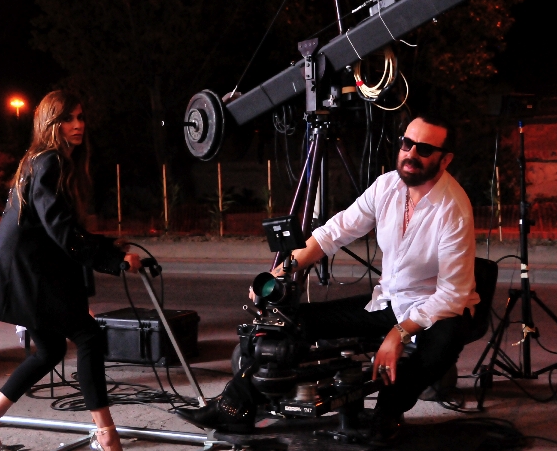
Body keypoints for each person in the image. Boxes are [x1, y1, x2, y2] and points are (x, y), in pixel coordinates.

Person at [176, 114, 478, 440]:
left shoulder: (453, 208)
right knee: (291, 321)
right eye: (407, 143)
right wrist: (282, 270)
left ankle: (387, 415)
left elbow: (452, 294)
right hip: (390, 302)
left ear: (445, 159)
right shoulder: (386, 186)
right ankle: (235, 406)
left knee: (441, 344)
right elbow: (334, 232)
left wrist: (398, 334)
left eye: (424, 149)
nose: (411, 154)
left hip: (438, 310)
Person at [0, 90, 142, 451]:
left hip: (25, 269)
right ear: (51, 123)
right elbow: (61, 231)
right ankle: (107, 434)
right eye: (68, 119)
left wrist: (110, 247)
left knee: (49, 349)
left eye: (80, 117)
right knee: (88, 336)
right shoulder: (50, 161)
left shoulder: (37, 160)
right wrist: (113, 261)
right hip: (29, 273)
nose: (78, 125)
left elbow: (61, 227)